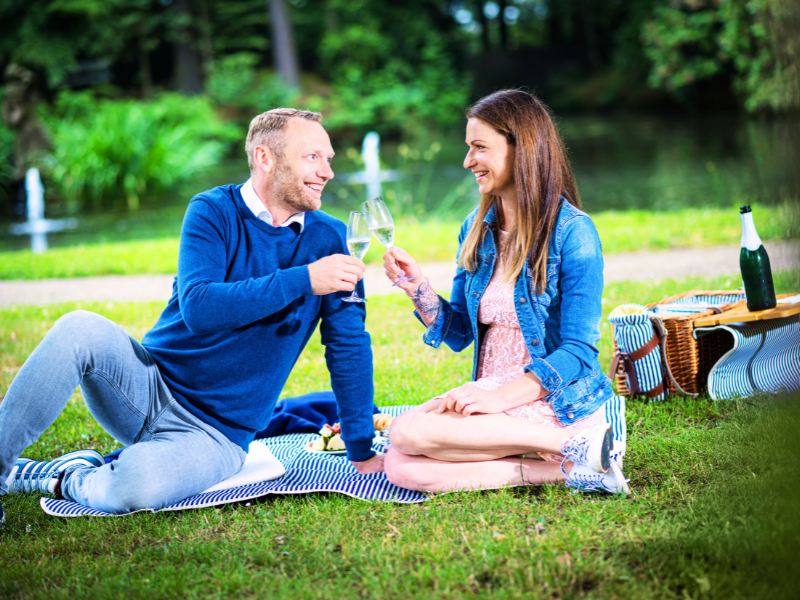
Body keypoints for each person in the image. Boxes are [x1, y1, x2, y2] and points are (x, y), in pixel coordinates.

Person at [0, 108, 383, 524]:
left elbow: (348, 345)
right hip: (147, 386)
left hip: (216, 434)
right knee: (78, 328)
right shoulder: (212, 210)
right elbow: (200, 308)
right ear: (265, 157)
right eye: (312, 157)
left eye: (328, 158)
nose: (327, 171)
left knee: (134, 488)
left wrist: (360, 449)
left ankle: (66, 475)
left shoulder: (331, 239)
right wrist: (304, 279)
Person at [381, 90, 629, 495]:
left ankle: (571, 442)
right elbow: (461, 332)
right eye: (468, 148)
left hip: (553, 399)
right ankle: (575, 466)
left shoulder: (573, 232)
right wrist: (417, 288)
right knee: (400, 464)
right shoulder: (476, 228)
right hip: (493, 400)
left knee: (407, 431)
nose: (468, 161)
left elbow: (579, 351)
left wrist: (500, 399)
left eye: (479, 147)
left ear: (522, 148)